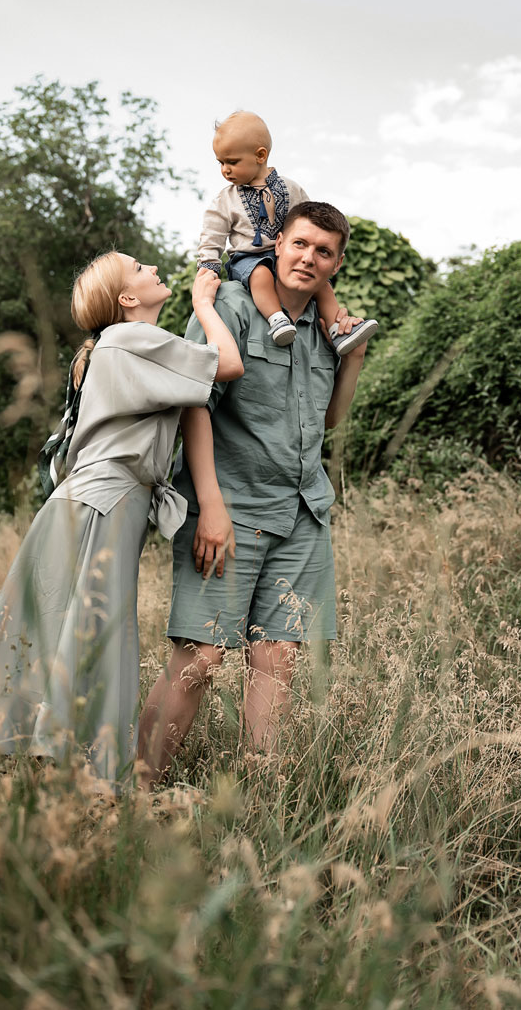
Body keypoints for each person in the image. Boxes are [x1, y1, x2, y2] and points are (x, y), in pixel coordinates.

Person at [0, 252, 243, 786]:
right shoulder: (132, 338)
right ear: (127, 298)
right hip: (104, 505)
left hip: (81, 504)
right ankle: (96, 782)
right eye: (139, 267)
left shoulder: (119, 344)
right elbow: (228, 364)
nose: (152, 268)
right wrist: (203, 303)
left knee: (23, 643)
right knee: (97, 640)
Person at [137, 202, 368, 787]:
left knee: (278, 659)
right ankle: (134, 788)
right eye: (300, 244)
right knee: (201, 658)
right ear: (277, 244)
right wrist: (211, 506)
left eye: (323, 251)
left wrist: (355, 358)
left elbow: (331, 418)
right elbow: (193, 405)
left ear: (336, 264)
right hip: (230, 509)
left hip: (304, 511)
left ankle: (262, 801)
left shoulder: (327, 328)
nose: (308, 258)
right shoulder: (231, 307)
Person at [198, 110, 377, 352]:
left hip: (284, 255)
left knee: (322, 285)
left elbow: (310, 219)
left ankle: (338, 329)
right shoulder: (226, 199)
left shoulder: (291, 189)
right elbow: (213, 234)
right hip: (248, 259)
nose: (225, 170)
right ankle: (277, 319)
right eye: (221, 163)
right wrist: (208, 266)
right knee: (260, 274)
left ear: (260, 155)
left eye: (232, 162)